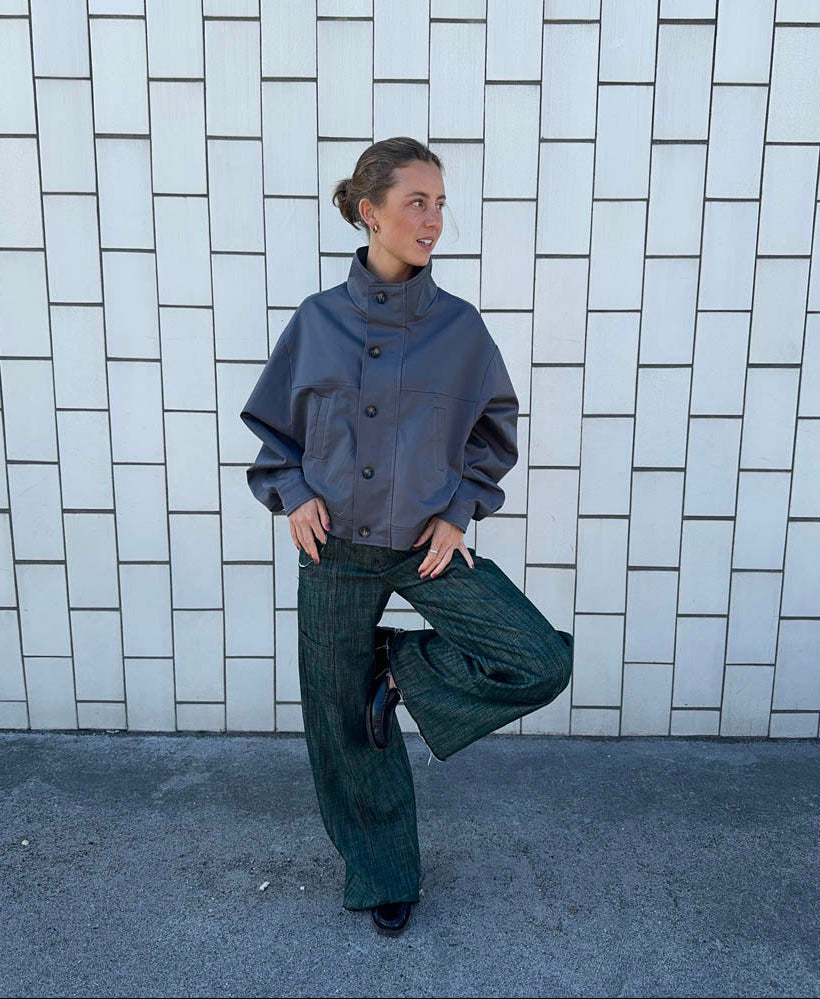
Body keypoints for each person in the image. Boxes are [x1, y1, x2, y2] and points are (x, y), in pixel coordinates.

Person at [240, 137, 574, 937]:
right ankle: (384, 872)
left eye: (440, 204)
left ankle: (398, 665)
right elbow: (274, 430)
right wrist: (293, 495)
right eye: (417, 202)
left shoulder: (461, 330)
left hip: (427, 546)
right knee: (342, 725)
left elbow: (494, 432)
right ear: (370, 212)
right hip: (334, 552)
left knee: (539, 659)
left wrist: (458, 510)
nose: (433, 220)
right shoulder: (317, 321)